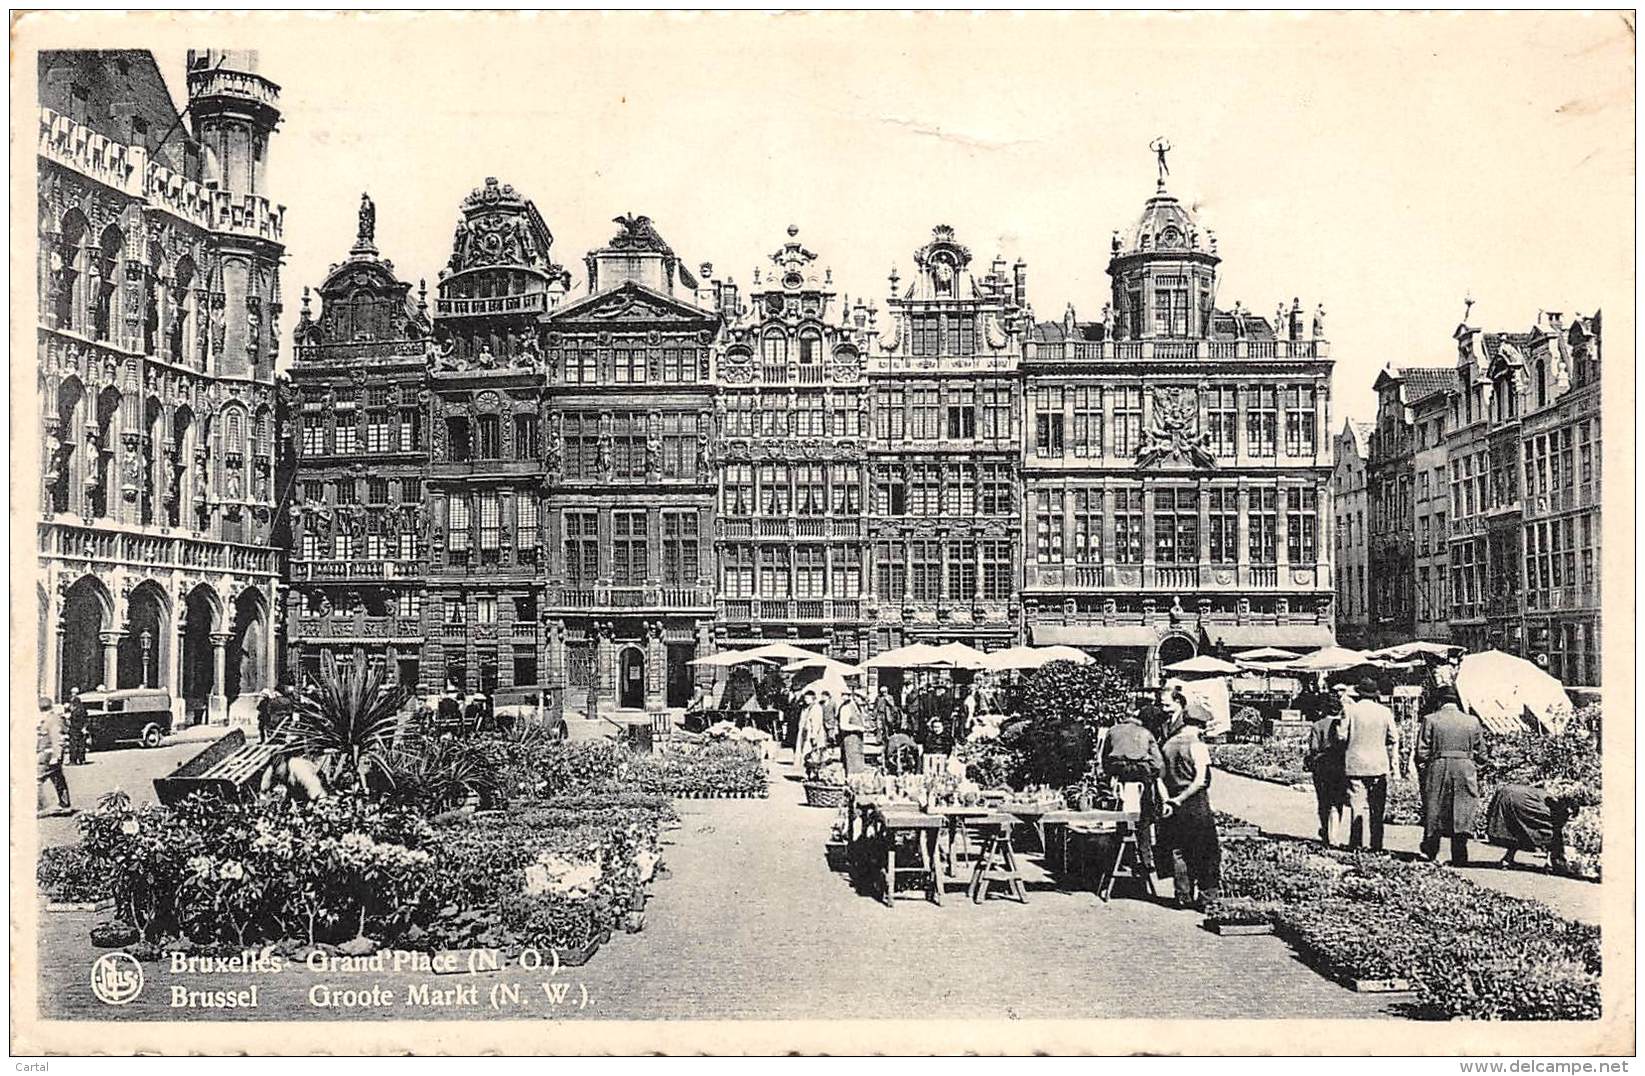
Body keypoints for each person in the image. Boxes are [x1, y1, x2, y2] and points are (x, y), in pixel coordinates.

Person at [1157, 694, 1220, 910]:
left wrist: (1168, 800)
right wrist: (1181, 798)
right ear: (1200, 726)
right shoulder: (1197, 745)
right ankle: (1206, 898)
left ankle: (1182, 896)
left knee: (1178, 850)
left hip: (1172, 801)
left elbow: (1159, 777)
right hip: (1194, 802)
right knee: (1206, 850)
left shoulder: (1167, 745)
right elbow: (1200, 780)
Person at [1415, 687, 1487, 865]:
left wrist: (1427, 770)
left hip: (1438, 766)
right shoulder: (1472, 722)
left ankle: (1432, 852)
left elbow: (1421, 751)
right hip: (1465, 767)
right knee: (1462, 809)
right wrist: (1472, 767)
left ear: (1440, 701)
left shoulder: (1430, 719)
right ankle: (1460, 854)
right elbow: (1482, 754)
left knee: (1434, 808)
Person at [1099, 709, 1165, 871]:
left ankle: (1118, 857)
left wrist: (1110, 776)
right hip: (1141, 776)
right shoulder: (1146, 733)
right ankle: (1145, 858)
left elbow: (1103, 758)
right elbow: (1158, 762)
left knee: (1118, 815)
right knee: (1144, 818)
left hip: (1118, 775)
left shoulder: (1112, 731)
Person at [1338, 676, 1397, 851]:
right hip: (1378, 765)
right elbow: (1393, 737)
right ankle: (1376, 845)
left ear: (1359, 693)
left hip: (1355, 764)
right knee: (1377, 809)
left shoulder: (1350, 710)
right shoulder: (1385, 712)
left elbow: (1341, 736)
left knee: (1357, 806)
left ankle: (1356, 843)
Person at [1486, 783, 1572, 872]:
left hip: (1508, 794)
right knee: (1548, 831)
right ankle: (1550, 864)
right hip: (1518, 799)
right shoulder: (1553, 805)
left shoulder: (1547, 795)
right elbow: (1555, 833)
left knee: (1518, 829)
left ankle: (1507, 859)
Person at [1304, 687, 1349, 846]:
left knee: (1323, 801)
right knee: (1337, 800)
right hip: (1339, 766)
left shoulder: (1317, 725)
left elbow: (1314, 748)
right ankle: (1334, 834)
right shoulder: (1343, 725)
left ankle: (1325, 829)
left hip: (1321, 767)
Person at [37, 696, 71, 815]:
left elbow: (57, 739)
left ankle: (38, 807)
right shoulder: (51, 719)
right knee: (58, 779)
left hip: (49, 756)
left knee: (37, 779)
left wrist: (56, 757)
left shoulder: (52, 720)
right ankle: (65, 804)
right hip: (49, 755)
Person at [837, 689, 866, 777]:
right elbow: (843, 725)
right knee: (851, 765)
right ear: (855, 697)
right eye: (862, 699)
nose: (864, 702)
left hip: (858, 741)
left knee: (858, 765)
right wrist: (858, 728)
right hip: (849, 740)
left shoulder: (858, 708)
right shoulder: (846, 708)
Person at [793, 689, 821, 768]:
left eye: (807, 698)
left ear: (813, 698)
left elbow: (816, 723)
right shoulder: (805, 708)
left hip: (811, 734)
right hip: (803, 732)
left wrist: (814, 735)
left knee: (811, 754)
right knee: (804, 752)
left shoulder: (816, 708)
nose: (806, 700)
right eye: (805, 698)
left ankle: (812, 773)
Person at [65, 687, 89, 765]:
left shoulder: (75, 711)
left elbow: (72, 720)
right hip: (81, 729)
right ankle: (82, 759)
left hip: (75, 729)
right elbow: (86, 719)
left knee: (73, 745)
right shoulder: (83, 709)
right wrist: (84, 728)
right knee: (81, 745)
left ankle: (73, 760)